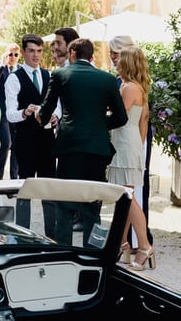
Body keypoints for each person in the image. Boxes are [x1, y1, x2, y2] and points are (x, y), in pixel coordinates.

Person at [37, 37, 127, 246]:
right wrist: (99, 125)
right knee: (93, 207)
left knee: (65, 205)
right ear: (91, 56)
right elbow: (121, 117)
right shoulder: (106, 79)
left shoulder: (60, 74)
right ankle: (92, 253)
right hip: (97, 148)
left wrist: (41, 118)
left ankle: (64, 252)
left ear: (72, 54)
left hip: (69, 146)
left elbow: (47, 109)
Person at [5, 34, 58, 234]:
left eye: (39, 51)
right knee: (25, 189)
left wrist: (55, 116)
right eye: (31, 51)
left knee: (49, 188)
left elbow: (58, 105)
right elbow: (10, 115)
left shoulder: (49, 75)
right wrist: (25, 112)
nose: (36, 55)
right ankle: (22, 235)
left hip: (47, 140)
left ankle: (50, 236)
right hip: (25, 141)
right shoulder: (13, 78)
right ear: (24, 52)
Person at [108, 46, 154, 270]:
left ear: (128, 63)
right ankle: (122, 244)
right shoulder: (140, 87)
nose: (116, 62)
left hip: (125, 143)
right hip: (131, 142)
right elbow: (143, 122)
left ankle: (144, 245)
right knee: (124, 197)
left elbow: (118, 116)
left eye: (120, 59)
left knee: (127, 197)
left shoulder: (128, 87)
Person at [0, 45, 20, 179]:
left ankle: (13, 178)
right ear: (6, 54)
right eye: (11, 54)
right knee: (6, 143)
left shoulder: (21, 70)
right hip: (3, 112)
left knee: (16, 146)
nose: (13, 57)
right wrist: (2, 66)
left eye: (16, 55)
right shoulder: (0, 68)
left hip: (16, 112)